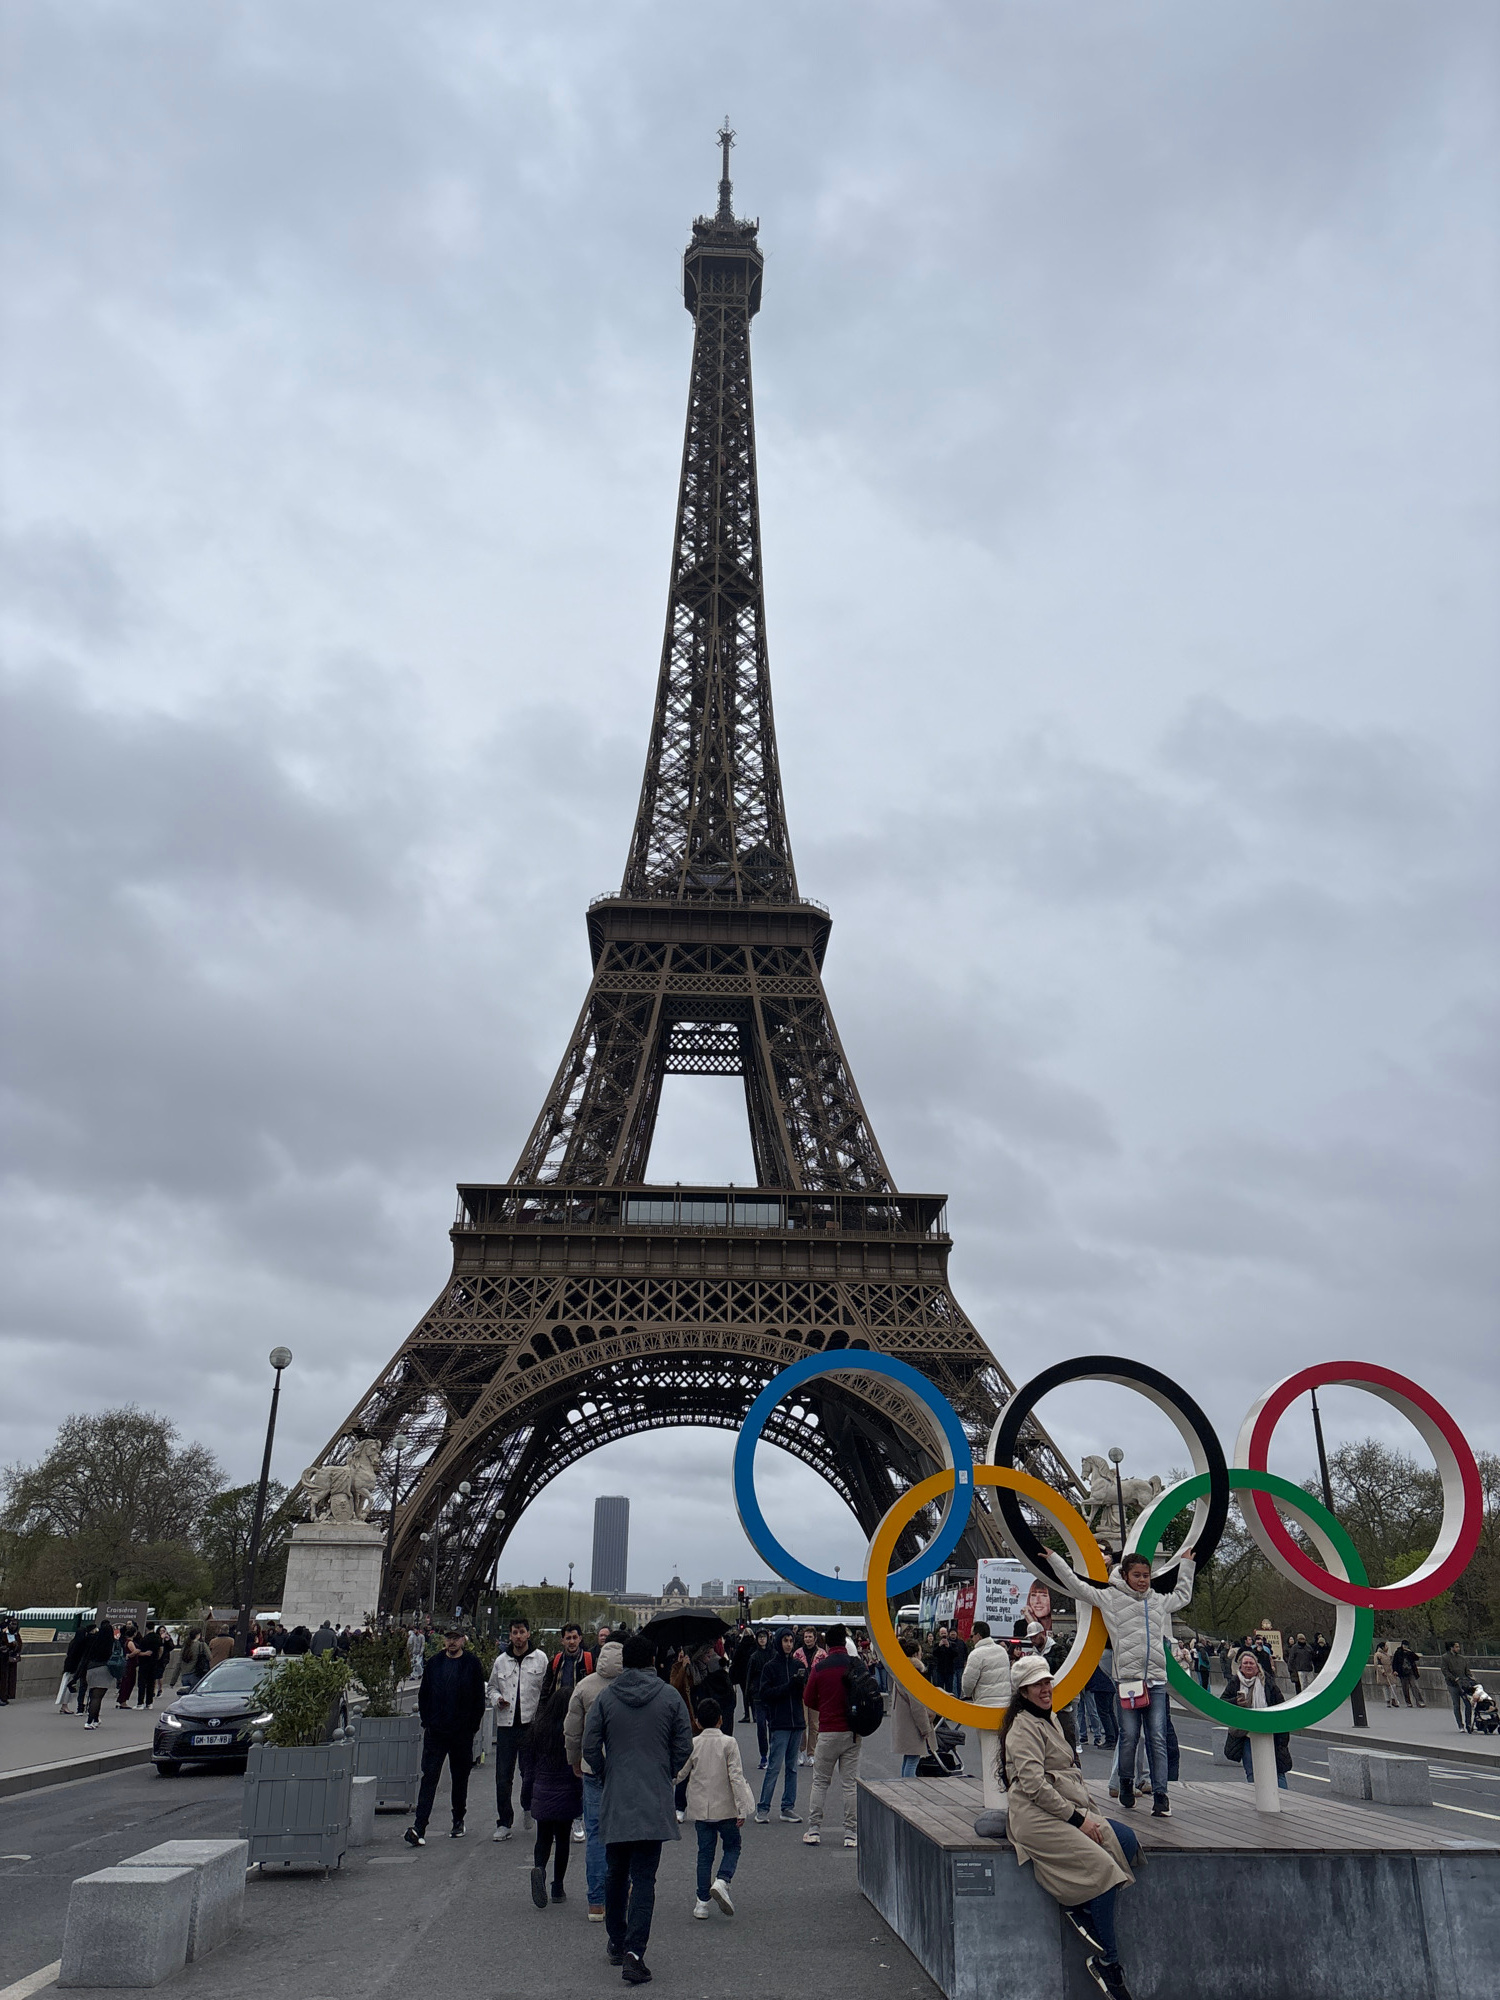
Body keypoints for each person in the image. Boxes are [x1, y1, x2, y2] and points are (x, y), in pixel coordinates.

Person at [1001, 1652, 1140, 2000]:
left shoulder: (1048, 1718)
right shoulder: (1022, 1729)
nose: (1045, 1688)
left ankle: (1083, 1906)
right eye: (1037, 1684)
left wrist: (1081, 1812)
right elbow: (1034, 1787)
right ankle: (1108, 1964)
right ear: (1023, 1691)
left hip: (1064, 1806)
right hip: (1035, 1816)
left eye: (1047, 1681)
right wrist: (1079, 1820)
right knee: (1104, 1869)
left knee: (1125, 1840)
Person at [1044, 1543, 1197, 1817]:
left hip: (1156, 1681)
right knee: (1129, 1737)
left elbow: (1183, 1596)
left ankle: (1161, 1795)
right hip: (1128, 1681)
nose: (1142, 1580)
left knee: (1157, 1738)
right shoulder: (1110, 1598)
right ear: (1124, 1575)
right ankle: (1126, 1781)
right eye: (1137, 1575)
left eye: (1146, 1575)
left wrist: (1187, 1564)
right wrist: (1055, 1559)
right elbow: (1077, 1586)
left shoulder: (1157, 1600)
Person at [581, 1628, 694, 1986]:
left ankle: (617, 1940)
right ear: (652, 1662)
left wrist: (605, 1772)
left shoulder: (606, 1697)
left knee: (616, 1873)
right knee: (644, 1878)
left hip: (617, 1794)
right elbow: (685, 1744)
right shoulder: (669, 1696)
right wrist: (666, 1771)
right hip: (653, 1796)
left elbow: (589, 1745)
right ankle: (635, 1952)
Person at [405, 1627, 486, 1846]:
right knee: (429, 1778)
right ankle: (419, 1826)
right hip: (437, 1732)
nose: (452, 1642)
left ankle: (458, 1819)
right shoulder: (434, 1663)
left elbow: (479, 1698)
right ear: (444, 1640)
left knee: (460, 1778)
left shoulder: (472, 1664)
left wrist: (471, 1727)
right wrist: (427, 1722)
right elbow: (424, 1694)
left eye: (456, 1638)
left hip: (461, 1732)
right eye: (449, 1638)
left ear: (463, 1641)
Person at [676, 1695, 756, 1918]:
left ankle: (701, 1903)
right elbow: (736, 1777)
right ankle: (722, 1880)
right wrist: (742, 1808)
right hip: (726, 1808)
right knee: (732, 1846)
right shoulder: (729, 1743)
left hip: (701, 1809)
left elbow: (680, 1774)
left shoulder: (693, 1744)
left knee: (705, 1854)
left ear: (697, 1722)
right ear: (721, 1719)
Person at [567, 1633, 626, 1921]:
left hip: (592, 1766)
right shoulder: (633, 1686)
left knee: (595, 1834)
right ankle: (623, 1888)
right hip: (626, 1769)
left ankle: (596, 1901)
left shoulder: (585, 1686)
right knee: (625, 1832)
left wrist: (574, 1760)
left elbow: (572, 1730)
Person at [802, 1622, 863, 1849]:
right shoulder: (856, 1665)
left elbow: (808, 1698)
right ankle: (851, 1833)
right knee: (849, 1784)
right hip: (852, 1731)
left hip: (827, 1730)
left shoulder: (820, 1668)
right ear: (845, 1642)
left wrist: (824, 1706)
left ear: (826, 1644)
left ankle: (814, 1829)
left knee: (820, 1782)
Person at [489, 1617, 548, 1838]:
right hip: (506, 1725)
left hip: (530, 1725)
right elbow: (492, 1687)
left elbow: (546, 1690)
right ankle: (504, 1822)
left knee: (529, 1773)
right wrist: (497, 1699)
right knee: (503, 1776)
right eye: (515, 1632)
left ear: (528, 1634)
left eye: (522, 1632)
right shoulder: (501, 1661)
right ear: (510, 1635)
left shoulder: (540, 1659)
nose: (518, 1636)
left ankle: (527, 1804)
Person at [527, 1686, 584, 1905]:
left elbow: (529, 1766)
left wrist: (528, 1793)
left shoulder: (538, 1729)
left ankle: (539, 1868)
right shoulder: (572, 1731)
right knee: (562, 1840)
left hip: (542, 1788)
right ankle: (558, 1887)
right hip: (567, 1790)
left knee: (542, 1837)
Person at [754, 1628, 807, 1822]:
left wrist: (801, 1683)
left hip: (796, 1721)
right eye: (785, 1641)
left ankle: (787, 1807)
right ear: (778, 1642)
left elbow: (803, 1693)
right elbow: (765, 1693)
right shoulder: (770, 1667)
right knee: (774, 1767)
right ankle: (763, 1808)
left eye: (791, 1641)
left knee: (792, 1768)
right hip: (780, 1721)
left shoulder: (798, 1665)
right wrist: (789, 1687)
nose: (789, 1644)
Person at [1222, 1648, 1291, 1790]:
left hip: (1270, 1733)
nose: (1248, 1666)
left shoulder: (1268, 1682)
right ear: (1240, 1666)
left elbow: (1281, 1706)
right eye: (1245, 1663)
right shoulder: (1235, 1682)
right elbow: (1221, 1704)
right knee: (1252, 1772)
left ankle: (1284, 1797)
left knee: (1278, 1771)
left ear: (1257, 1666)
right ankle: (1257, 1796)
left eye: (1251, 1663)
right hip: (1246, 1735)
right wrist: (1235, 1702)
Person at [891, 1633, 940, 1775]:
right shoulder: (914, 1674)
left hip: (903, 1723)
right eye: (920, 1652)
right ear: (915, 1655)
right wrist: (925, 1728)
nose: (922, 1655)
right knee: (913, 1760)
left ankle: (903, 1784)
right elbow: (917, 1706)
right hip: (912, 1725)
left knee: (908, 1758)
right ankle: (908, 1787)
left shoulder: (901, 1671)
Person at [793, 1627, 824, 1765]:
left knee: (814, 1725)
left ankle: (812, 1753)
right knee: (802, 1723)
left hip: (817, 1693)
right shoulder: (797, 1654)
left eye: (810, 1637)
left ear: (815, 1638)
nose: (808, 1639)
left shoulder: (822, 1654)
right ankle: (801, 1751)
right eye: (806, 1637)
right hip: (801, 1691)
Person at [542, 1622, 593, 1701]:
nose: (572, 1642)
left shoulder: (589, 1660)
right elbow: (546, 1689)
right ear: (562, 1641)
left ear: (580, 1639)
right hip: (558, 1706)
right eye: (568, 1638)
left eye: (574, 1638)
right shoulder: (556, 1661)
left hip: (581, 1706)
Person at [81, 1620, 116, 1728]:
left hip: (91, 1669)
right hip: (104, 1668)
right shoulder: (111, 1643)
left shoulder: (94, 1640)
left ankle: (95, 1719)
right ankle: (89, 1721)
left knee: (92, 1694)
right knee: (97, 1697)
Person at [746, 1629, 770, 1765]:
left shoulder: (773, 1654)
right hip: (758, 1696)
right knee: (761, 1726)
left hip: (771, 1695)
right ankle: (764, 1754)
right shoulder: (754, 1657)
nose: (762, 1639)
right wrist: (749, 1693)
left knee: (773, 1726)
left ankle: (772, 1752)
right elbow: (749, 1676)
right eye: (760, 1637)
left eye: (764, 1637)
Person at [1442, 1642, 1477, 1733]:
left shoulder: (1462, 1658)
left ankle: (1468, 1724)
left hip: (1463, 1684)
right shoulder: (1445, 1657)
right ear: (1451, 1648)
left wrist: (1471, 1677)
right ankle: (1460, 1725)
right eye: (1456, 1647)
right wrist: (1453, 1678)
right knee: (1456, 1705)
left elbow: (1467, 1670)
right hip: (1453, 1685)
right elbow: (1445, 1670)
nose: (1458, 1648)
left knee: (1468, 1704)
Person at [168, 1626, 210, 1691]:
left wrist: (173, 1681)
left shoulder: (185, 1647)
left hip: (184, 1676)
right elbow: (209, 1657)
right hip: (196, 1675)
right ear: (198, 1635)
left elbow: (178, 1665)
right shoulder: (201, 1645)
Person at [1393, 1640, 1425, 1708]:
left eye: (1406, 1646)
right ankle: (1408, 1702)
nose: (1405, 1647)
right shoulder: (1398, 1652)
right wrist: (1395, 1670)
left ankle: (1419, 1701)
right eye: (1404, 1645)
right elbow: (1395, 1662)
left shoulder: (1409, 1652)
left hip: (1411, 1672)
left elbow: (1417, 1658)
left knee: (1414, 1686)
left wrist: (1411, 1652)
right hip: (1403, 1672)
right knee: (1405, 1688)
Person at [0, 1615, 22, 1705]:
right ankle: (2, 1697)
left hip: (11, 1659)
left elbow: (19, 1644)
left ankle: (6, 1696)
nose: (14, 1626)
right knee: (3, 1678)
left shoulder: (16, 1634)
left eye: (15, 1624)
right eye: (12, 1624)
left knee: (10, 1679)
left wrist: (15, 1647)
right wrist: (10, 1645)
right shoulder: (3, 1634)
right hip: (3, 1659)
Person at [1373, 1641, 1399, 1708]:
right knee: (1385, 1687)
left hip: (1389, 1672)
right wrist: (1382, 1671)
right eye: (1386, 1646)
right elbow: (1377, 1664)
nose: (1387, 1648)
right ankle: (1388, 1701)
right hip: (1383, 1673)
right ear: (1383, 1647)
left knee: (1393, 1685)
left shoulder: (1386, 1654)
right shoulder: (1377, 1655)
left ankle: (1393, 1699)